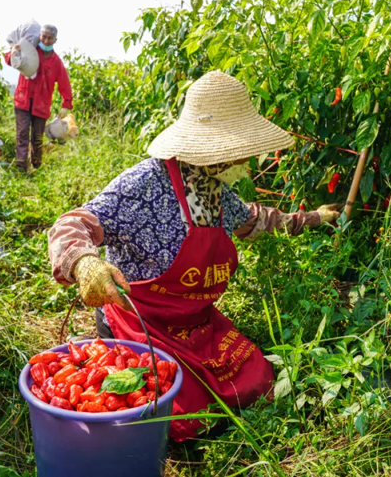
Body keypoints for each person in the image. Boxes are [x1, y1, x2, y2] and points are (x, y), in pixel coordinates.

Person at [48, 71, 341, 441]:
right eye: (241, 150)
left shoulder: (216, 191)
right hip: (140, 322)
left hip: (194, 322)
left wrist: (315, 217)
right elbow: (72, 223)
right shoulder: (145, 184)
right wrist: (84, 262)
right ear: (214, 150)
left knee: (258, 377)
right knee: (181, 418)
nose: (248, 161)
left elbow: (259, 221)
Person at [4, 24, 72, 171]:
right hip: (23, 100)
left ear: (55, 40)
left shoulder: (56, 62)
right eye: (44, 37)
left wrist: (66, 104)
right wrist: (14, 52)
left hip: (41, 105)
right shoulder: (30, 51)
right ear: (39, 36)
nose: (46, 40)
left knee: (37, 137)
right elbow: (10, 61)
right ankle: (21, 167)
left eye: (50, 38)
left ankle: (36, 166)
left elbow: (64, 83)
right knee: (22, 134)